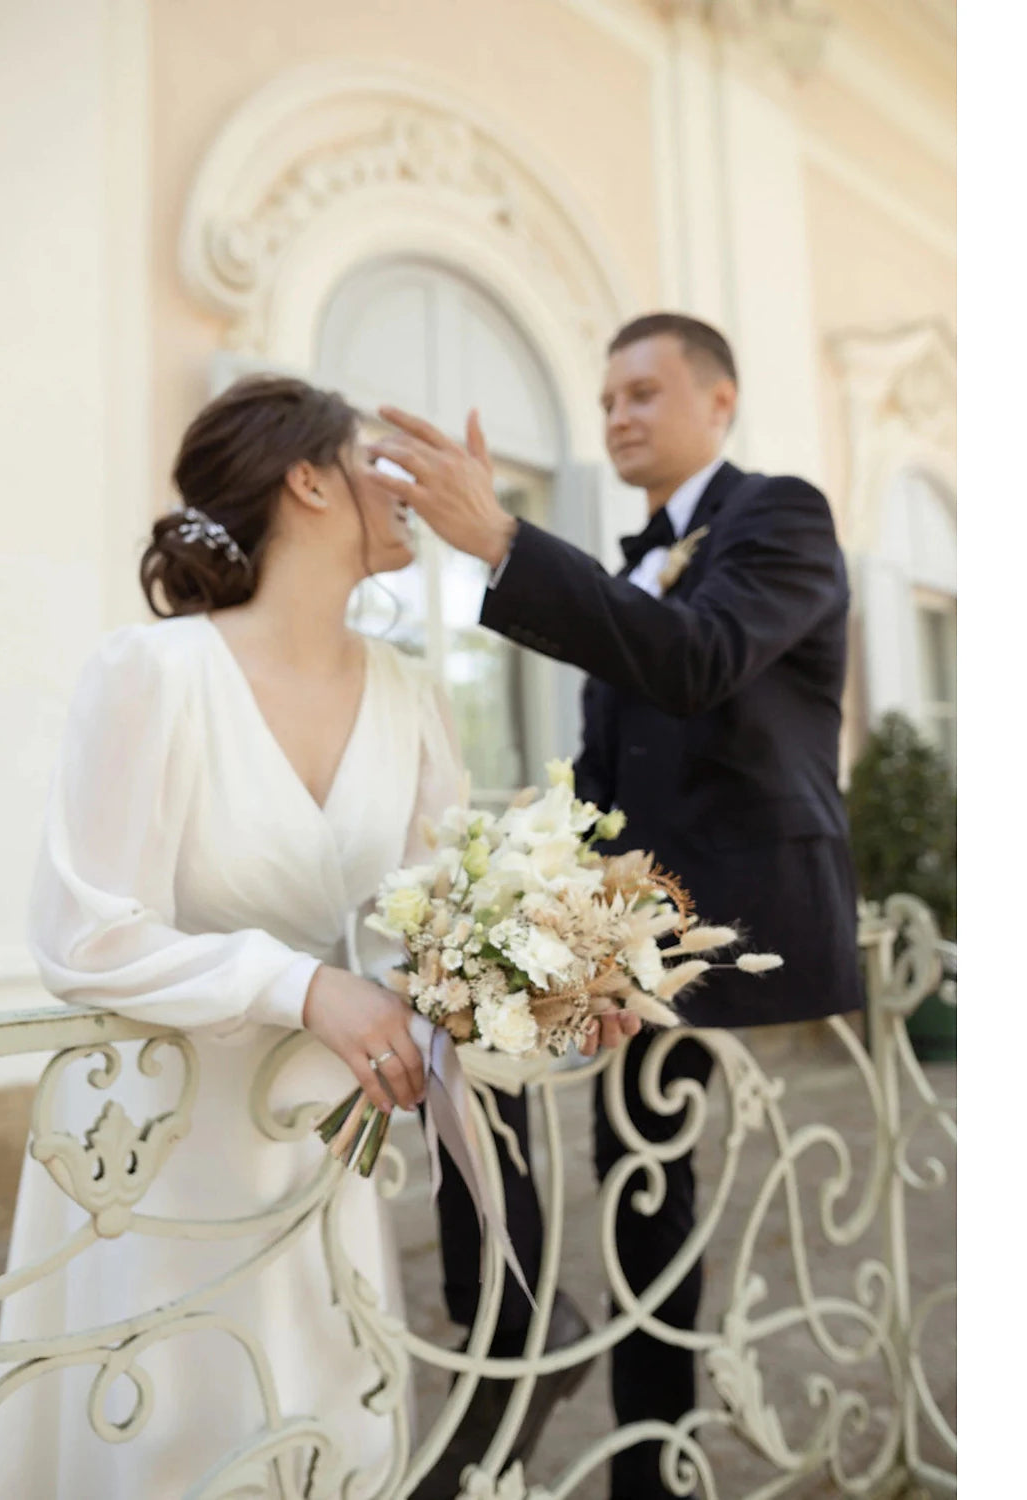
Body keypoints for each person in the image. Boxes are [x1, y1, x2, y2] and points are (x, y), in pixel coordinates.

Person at [370, 312, 863, 1500]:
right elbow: (612, 768)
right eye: (605, 402)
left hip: (735, 927)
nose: (618, 417)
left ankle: (659, 1456)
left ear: (720, 401)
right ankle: (579, 1394)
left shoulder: (779, 516)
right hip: (622, 942)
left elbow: (696, 660)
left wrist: (502, 541)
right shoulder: (631, 558)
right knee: (610, 1171)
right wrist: (537, 885)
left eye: (643, 392)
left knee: (669, 1199)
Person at [0, 376, 469, 1499]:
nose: (410, 492)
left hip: (320, 1135)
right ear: (307, 480)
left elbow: (433, 917)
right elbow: (86, 935)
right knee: (173, 1433)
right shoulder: (153, 673)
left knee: (324, 1420)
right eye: (378, 463)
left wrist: (547, 979)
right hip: (160, 1141)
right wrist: (305, 987)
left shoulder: (411, 695)